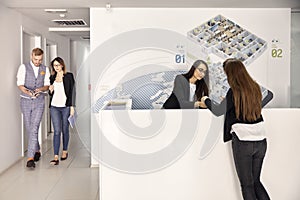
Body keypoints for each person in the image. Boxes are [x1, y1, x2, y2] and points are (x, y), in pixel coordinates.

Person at [201, 58, 273, 200]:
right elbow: (266, 97)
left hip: (243, 141)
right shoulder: (254, 88)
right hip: (261, 141)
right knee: (256, 182)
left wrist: (206, 100)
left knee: (247, 185)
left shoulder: (233, 91)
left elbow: (218, 111)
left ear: (231, 74)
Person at [17, 48, 50, 168]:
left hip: (39, 101)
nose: (38, 62)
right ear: (31, 56)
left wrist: (40, 90)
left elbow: (46, 85)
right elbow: (20, 84)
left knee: (34, 127)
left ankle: (30, 158)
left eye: (40, 60)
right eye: (36, 59)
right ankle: (37, 150)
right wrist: (28, 92)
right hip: (25, 101)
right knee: (29, 127)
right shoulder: (23, 67)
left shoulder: (45, 69)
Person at [49, 57, 75, 165]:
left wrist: (72, 106)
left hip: (65, 107)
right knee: (56, 131)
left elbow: (73, 92)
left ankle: (64, 151)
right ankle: (55, 156)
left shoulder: (69, 76)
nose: (57, 67)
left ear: (62, 65)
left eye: (58, 65)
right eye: (55, 65)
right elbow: (51, 93)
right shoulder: (52, 77)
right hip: (54, 107)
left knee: (65, 129)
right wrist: (50, 91)